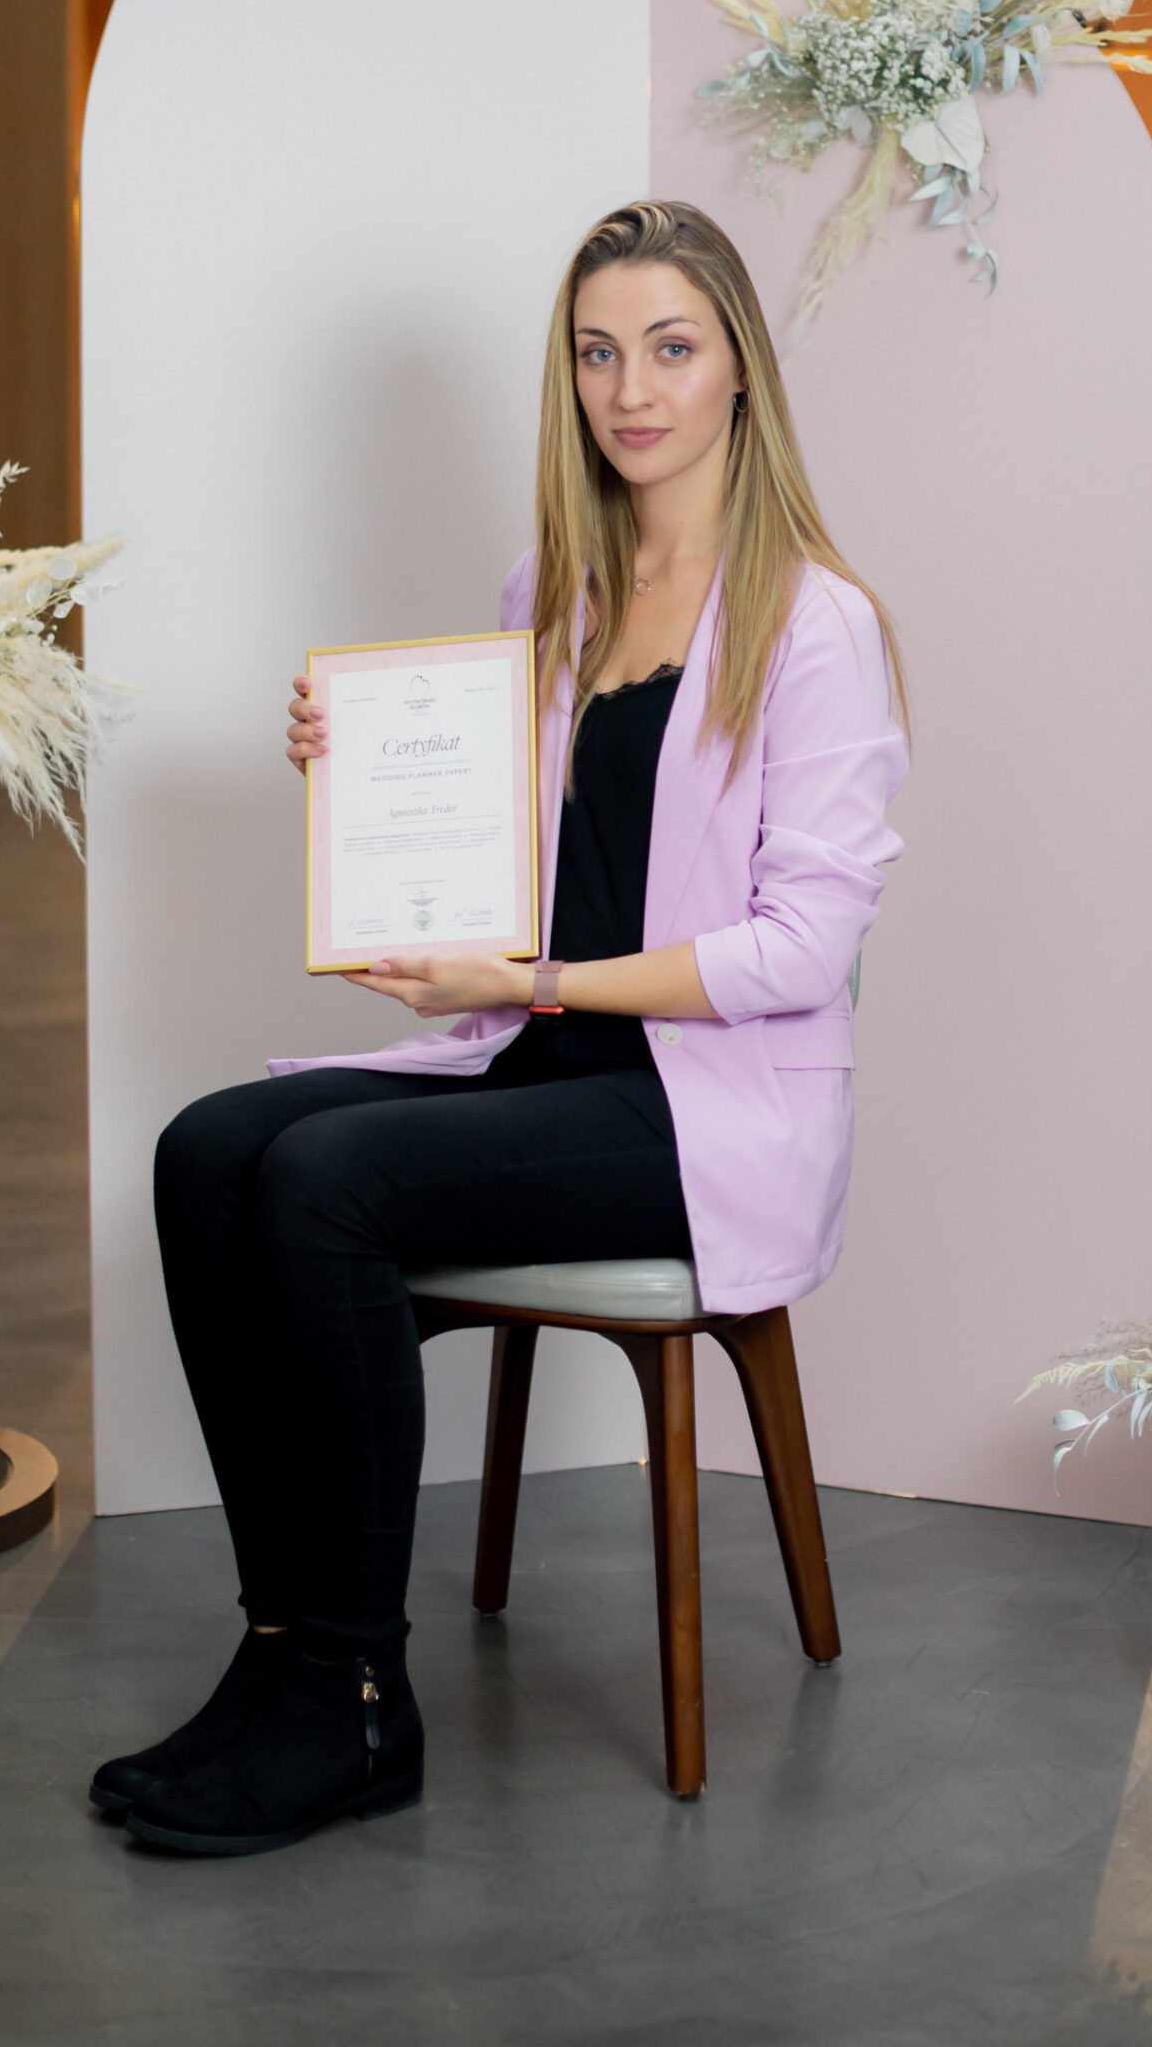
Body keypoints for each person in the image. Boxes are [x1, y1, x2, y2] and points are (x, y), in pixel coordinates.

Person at [92, 199, 909, 1854]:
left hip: (698, 1108)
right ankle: (285, 1647)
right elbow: (503, 864)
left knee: (324, 1183)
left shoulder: (816, 620)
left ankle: (354, 1697)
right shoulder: (557, 590)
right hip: (536, 1061)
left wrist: (530, 986)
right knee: (205, 1154)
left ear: (739, 368)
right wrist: (358, 772)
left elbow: (801, 948)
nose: (632, 390)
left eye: (670, 348)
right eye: (599, 353)